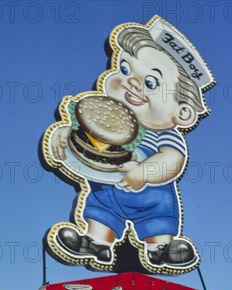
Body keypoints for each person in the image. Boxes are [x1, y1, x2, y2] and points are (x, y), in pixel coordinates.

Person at [47, 18, 214, 272]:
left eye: (151, 83)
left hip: (151, 200)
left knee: (157, 221)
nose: (132, 82)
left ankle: (161, 248)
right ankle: (96, 243)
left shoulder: (162, 134)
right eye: (125, 69)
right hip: (106, 194)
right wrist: (62, 134)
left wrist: (144, 172)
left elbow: (172, 159)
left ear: (182, 113)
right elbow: (79, 140)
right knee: (100, 212)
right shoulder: (106, 121)